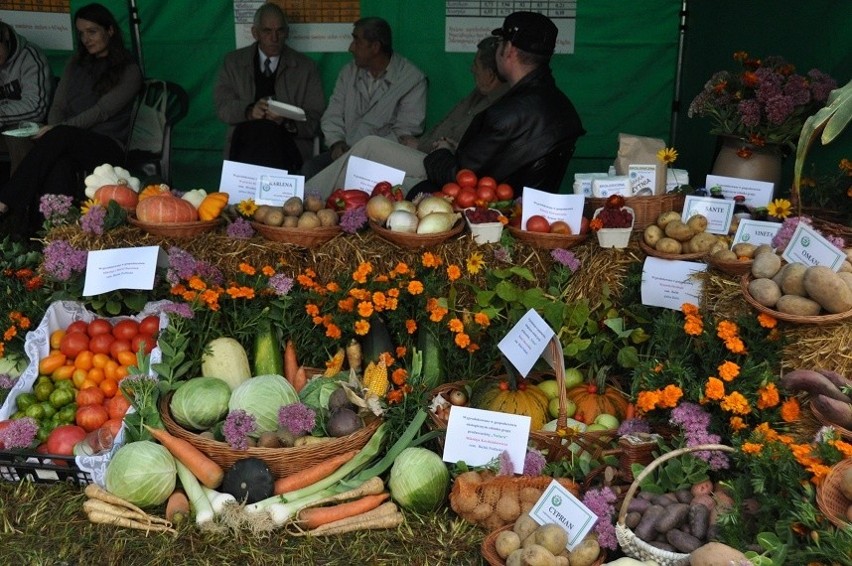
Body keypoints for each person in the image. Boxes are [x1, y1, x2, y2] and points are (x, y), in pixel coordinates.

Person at [0, 3, 142, 236]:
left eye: (92, 31)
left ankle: (6, 201)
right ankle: (49, 232)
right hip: (68, 140)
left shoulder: (129, 70)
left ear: (110, 31)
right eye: (81, 33)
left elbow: (101, 112)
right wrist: (56, 128)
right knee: (59, 163)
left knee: (60, 138)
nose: (86, 38)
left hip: (107, 145)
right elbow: (59, 104)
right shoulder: (75, 64)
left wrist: (57, 129)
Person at [305, 36, 508, 197]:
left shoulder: (499, 107)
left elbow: (467, 155)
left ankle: (302, 197)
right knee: (353, 161)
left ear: (490, 74)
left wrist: (434, 147)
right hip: (429, 154)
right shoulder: (479, 94)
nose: (471, 69)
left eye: (476, 65)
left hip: (442, 165)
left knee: (368, 147)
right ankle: (306, 202)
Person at [421, 11, 585, 198]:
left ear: (509, 50)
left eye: (499, 42)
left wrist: (441, 151)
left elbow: (460, 178)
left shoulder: (505, 115)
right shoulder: (563, 106)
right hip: (524, 210)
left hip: (494, 211)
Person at [300, 16, 427, 179]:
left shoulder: (412, 79)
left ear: (375, 47)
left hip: (383, 163)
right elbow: (332, 115)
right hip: (344, 154)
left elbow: (404, 134)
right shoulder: (348, 72)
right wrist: (337, 143)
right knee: (311, 170)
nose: (351, 48)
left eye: (357, 41)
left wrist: (362, 155)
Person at [213, 3, 324, 172]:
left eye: (279, 31)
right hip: (244, 145)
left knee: (267, 133)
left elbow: (315, 120)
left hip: (288, 147)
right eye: (267, 31)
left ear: (287, 33)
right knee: (258, 132)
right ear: (255, 33)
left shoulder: (305, 67)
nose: (274, 38)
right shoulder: (233, 63)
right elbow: (223, 107)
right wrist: (250, 111)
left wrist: (286, 121)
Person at [0, 20, 54, 176]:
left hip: (25, 126)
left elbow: (36, 107)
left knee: (19, 139)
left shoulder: (30, 56)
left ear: (5, 36)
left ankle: (15, 199)